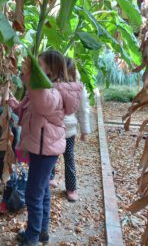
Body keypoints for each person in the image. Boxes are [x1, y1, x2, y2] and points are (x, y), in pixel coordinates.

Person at [9, 50, 83, 246]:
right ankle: (41, 232)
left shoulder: (54, 91)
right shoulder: (45, 89)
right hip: (41, 147)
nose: (35, 71)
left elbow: (42, 104)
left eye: (39, 66)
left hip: (46, 149)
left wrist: (28, 77)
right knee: (43, 192)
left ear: (50, 69)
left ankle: (32, 237)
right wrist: (13, 102)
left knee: (34, 194)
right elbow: (27, 109)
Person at [50, 58, 91, 202]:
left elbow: (83, 109)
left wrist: (85, 130)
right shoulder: (52, 85)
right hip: (53, 128)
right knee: (52, 155)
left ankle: (71, 188)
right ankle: (51, 178)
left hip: (68, 130)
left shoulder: (79, 88)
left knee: (68, 158)